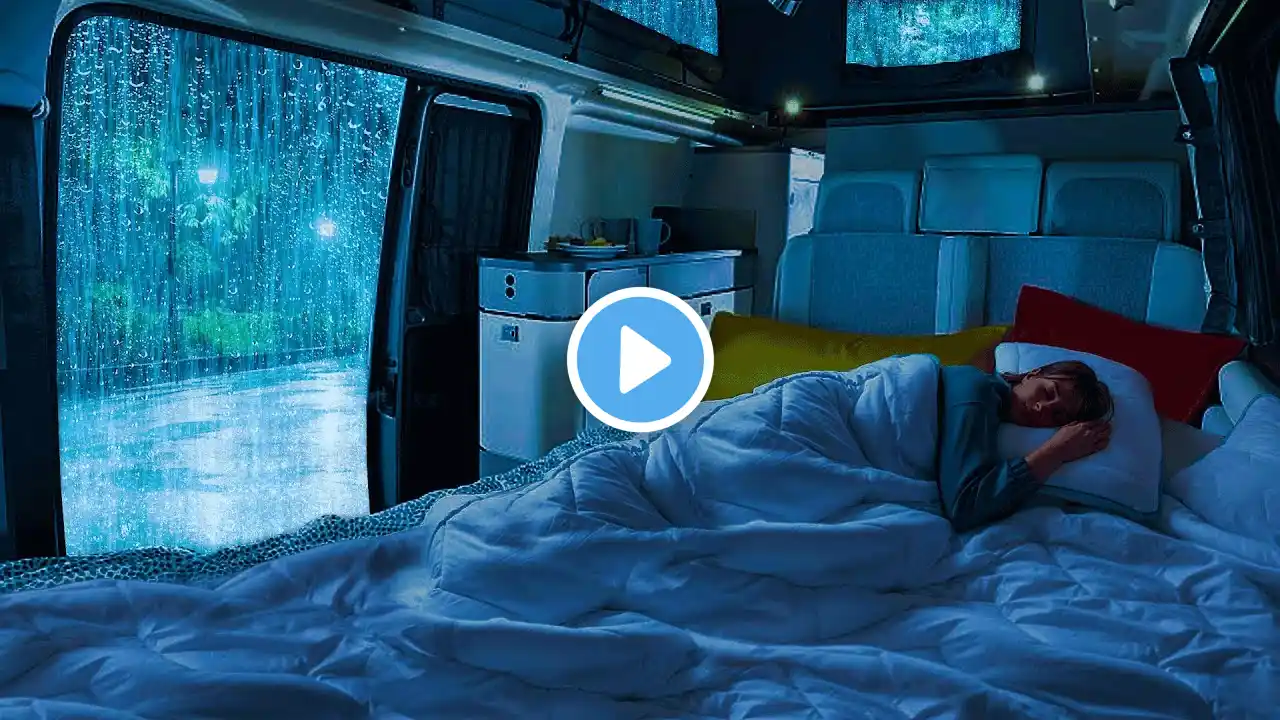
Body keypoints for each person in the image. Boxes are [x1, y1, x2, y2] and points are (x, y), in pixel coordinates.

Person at [937, 360, 1114, 532]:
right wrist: (1056, 452)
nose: (1041, 408)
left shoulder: (991, 405)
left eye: (1057, 415)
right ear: (1032, 375)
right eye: (1047, 392)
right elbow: (964, 506)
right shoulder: (977, 390)